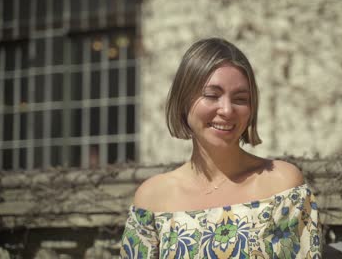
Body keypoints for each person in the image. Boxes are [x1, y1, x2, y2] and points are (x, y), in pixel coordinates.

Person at [120, 38, 321, 258]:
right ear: (184, 100)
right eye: (211, 95)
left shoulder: (283, 187)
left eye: (240, 98)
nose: (227, 110)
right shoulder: (152, 199)